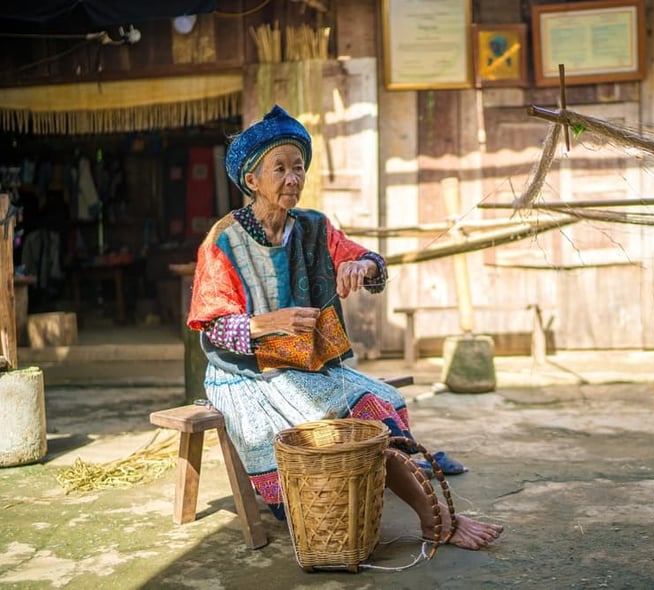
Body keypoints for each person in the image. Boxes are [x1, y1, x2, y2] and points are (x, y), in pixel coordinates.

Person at [186, 104, 502, 551]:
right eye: (280, 168)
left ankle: (432, 516)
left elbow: (372, 263)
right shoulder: (223, 241)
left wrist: (361, 265)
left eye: (298, 167)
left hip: (305, 365)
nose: (292, 177)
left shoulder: (314, 227)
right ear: (252, 181)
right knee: (332, 425)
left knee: (378, 404)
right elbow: (213, 329)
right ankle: (436, 518)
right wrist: (267, 322)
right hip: (246, 374)